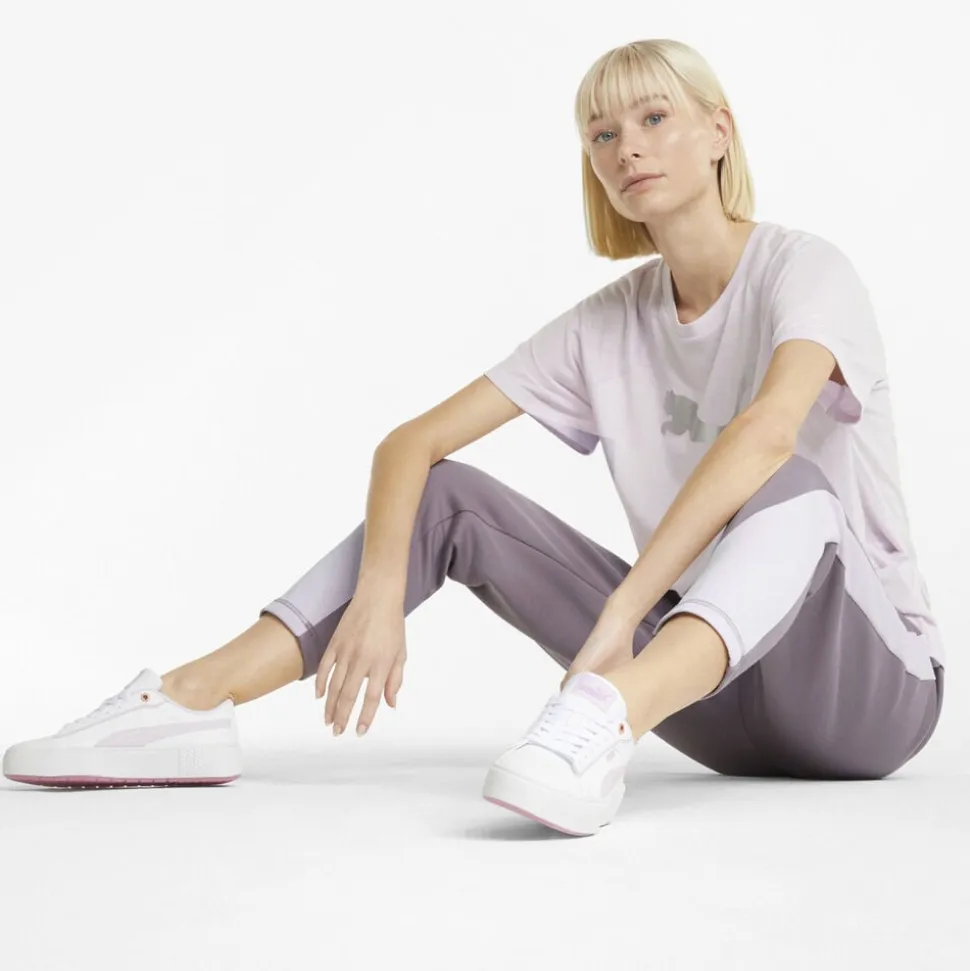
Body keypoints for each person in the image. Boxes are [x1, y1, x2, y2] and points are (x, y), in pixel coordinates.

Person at [2, 38, 945, 838]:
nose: (626, 147)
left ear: (718, 132)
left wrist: (623, 612)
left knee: (792, 484)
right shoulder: (609, 323)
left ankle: (598, 721)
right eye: (602, 134)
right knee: (447, 497)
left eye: (655, 118)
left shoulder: (806, 272)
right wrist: (382, 591)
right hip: (708, 701)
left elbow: (768, 433)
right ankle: (186, 702)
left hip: (868, 697)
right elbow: (409, 445)